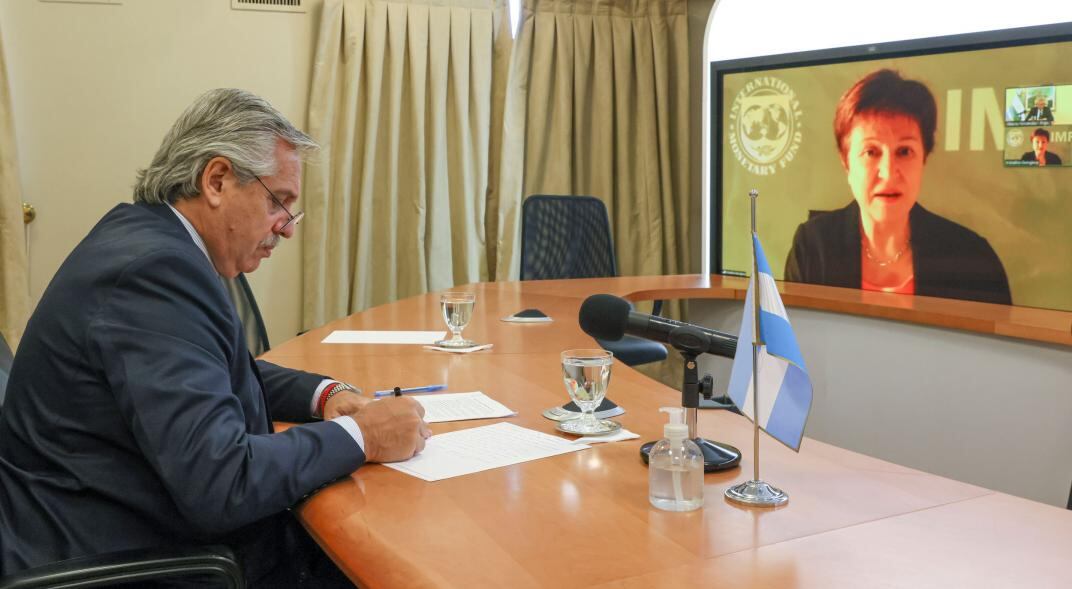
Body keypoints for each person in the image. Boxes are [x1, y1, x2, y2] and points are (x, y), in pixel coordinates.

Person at [0, 89, 432, 586]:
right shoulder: (156, 274)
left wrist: (324, 394)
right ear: (218, 180)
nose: (286, 229)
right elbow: (221, 482)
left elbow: (221, 368)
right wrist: (366, 436)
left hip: (101, 518)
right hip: (129, 554)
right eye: (280, 202)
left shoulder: (146, 239)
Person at [784, 69, 1011, 305]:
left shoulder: (973, 260)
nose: (889, 172)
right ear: (846, 163)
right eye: (871, 152)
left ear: (923, 158)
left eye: (904, 151)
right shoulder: (813, 247)